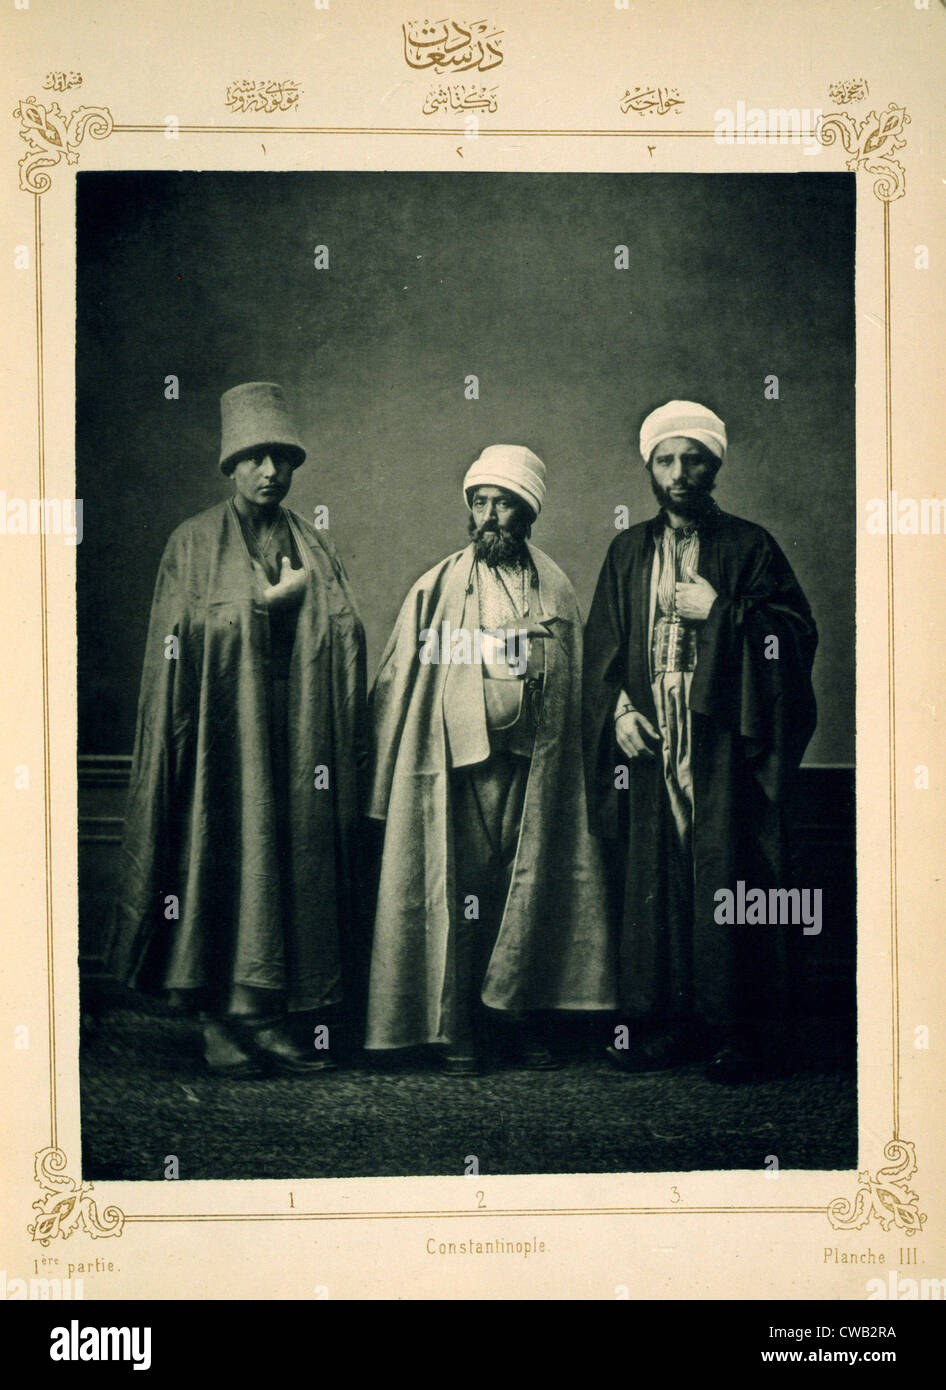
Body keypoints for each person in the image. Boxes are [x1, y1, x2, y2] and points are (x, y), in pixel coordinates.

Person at [107, 382, 367, 1077]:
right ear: (230, 465)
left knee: (287, 859)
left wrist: (306, 616)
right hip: (224, 732)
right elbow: (177, 642)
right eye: (254, 457)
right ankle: (222, 1022)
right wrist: (262, 607)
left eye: (281, 458)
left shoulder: (314, 544)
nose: (269, 472)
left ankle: (271, 1017)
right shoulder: (190, 543)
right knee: (227, 854)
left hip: (299, 729)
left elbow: (346, 631)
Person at [582, 401, 818, 1082]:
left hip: (723, 736)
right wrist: (619, 709)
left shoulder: (750, 545)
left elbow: (794, 634)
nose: (679, 473)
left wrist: (722, 612)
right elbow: (603, 645)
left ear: (713, 465)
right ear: (650, 469)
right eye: (666, 460)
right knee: (665, 874)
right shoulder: (628, 550)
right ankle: (674, 1023)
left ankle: (741, 1033)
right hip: (654, 739)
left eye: (692, 459)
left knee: (730, 868)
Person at [365, 445, 615, 1071]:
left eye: (504, 504)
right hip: (461, 766)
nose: (490, 516)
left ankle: (517, 1018)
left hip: (536, 764)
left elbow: (580, 672)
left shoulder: (553, 582)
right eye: (480, 503)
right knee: (462, 890)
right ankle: (458, 1029)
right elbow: (410, 668)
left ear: (528, 513)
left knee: (523, 891)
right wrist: (495, 644)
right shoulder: (441, 584)